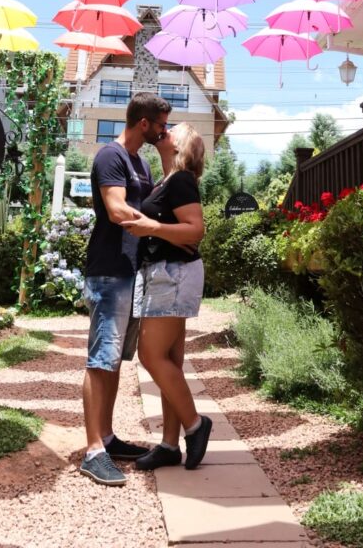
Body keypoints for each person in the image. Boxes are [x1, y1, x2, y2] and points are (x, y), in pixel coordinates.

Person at [80, 91, 172, 487]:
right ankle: (92, 451)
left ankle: (107, 436)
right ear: (144, 123)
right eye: (162, 124)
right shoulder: (111, 157)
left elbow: (158, 206)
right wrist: (154, 226)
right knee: (102, 357)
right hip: (109, 270)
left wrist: (168, 161)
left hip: (131, 271)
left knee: (115, 358)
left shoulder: (142, 162)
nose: (165, 130)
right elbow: (117, 211)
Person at [121, 122, 211, 472]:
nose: (164, 130)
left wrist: (152, 227)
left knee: (150, 354)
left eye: (172, 129)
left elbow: (195, 230)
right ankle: (170, 445)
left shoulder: (182, 179)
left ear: (182, 145)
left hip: (173, 274)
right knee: (169, 361)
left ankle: (195, 424)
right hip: (165, 272)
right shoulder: (167, 182)